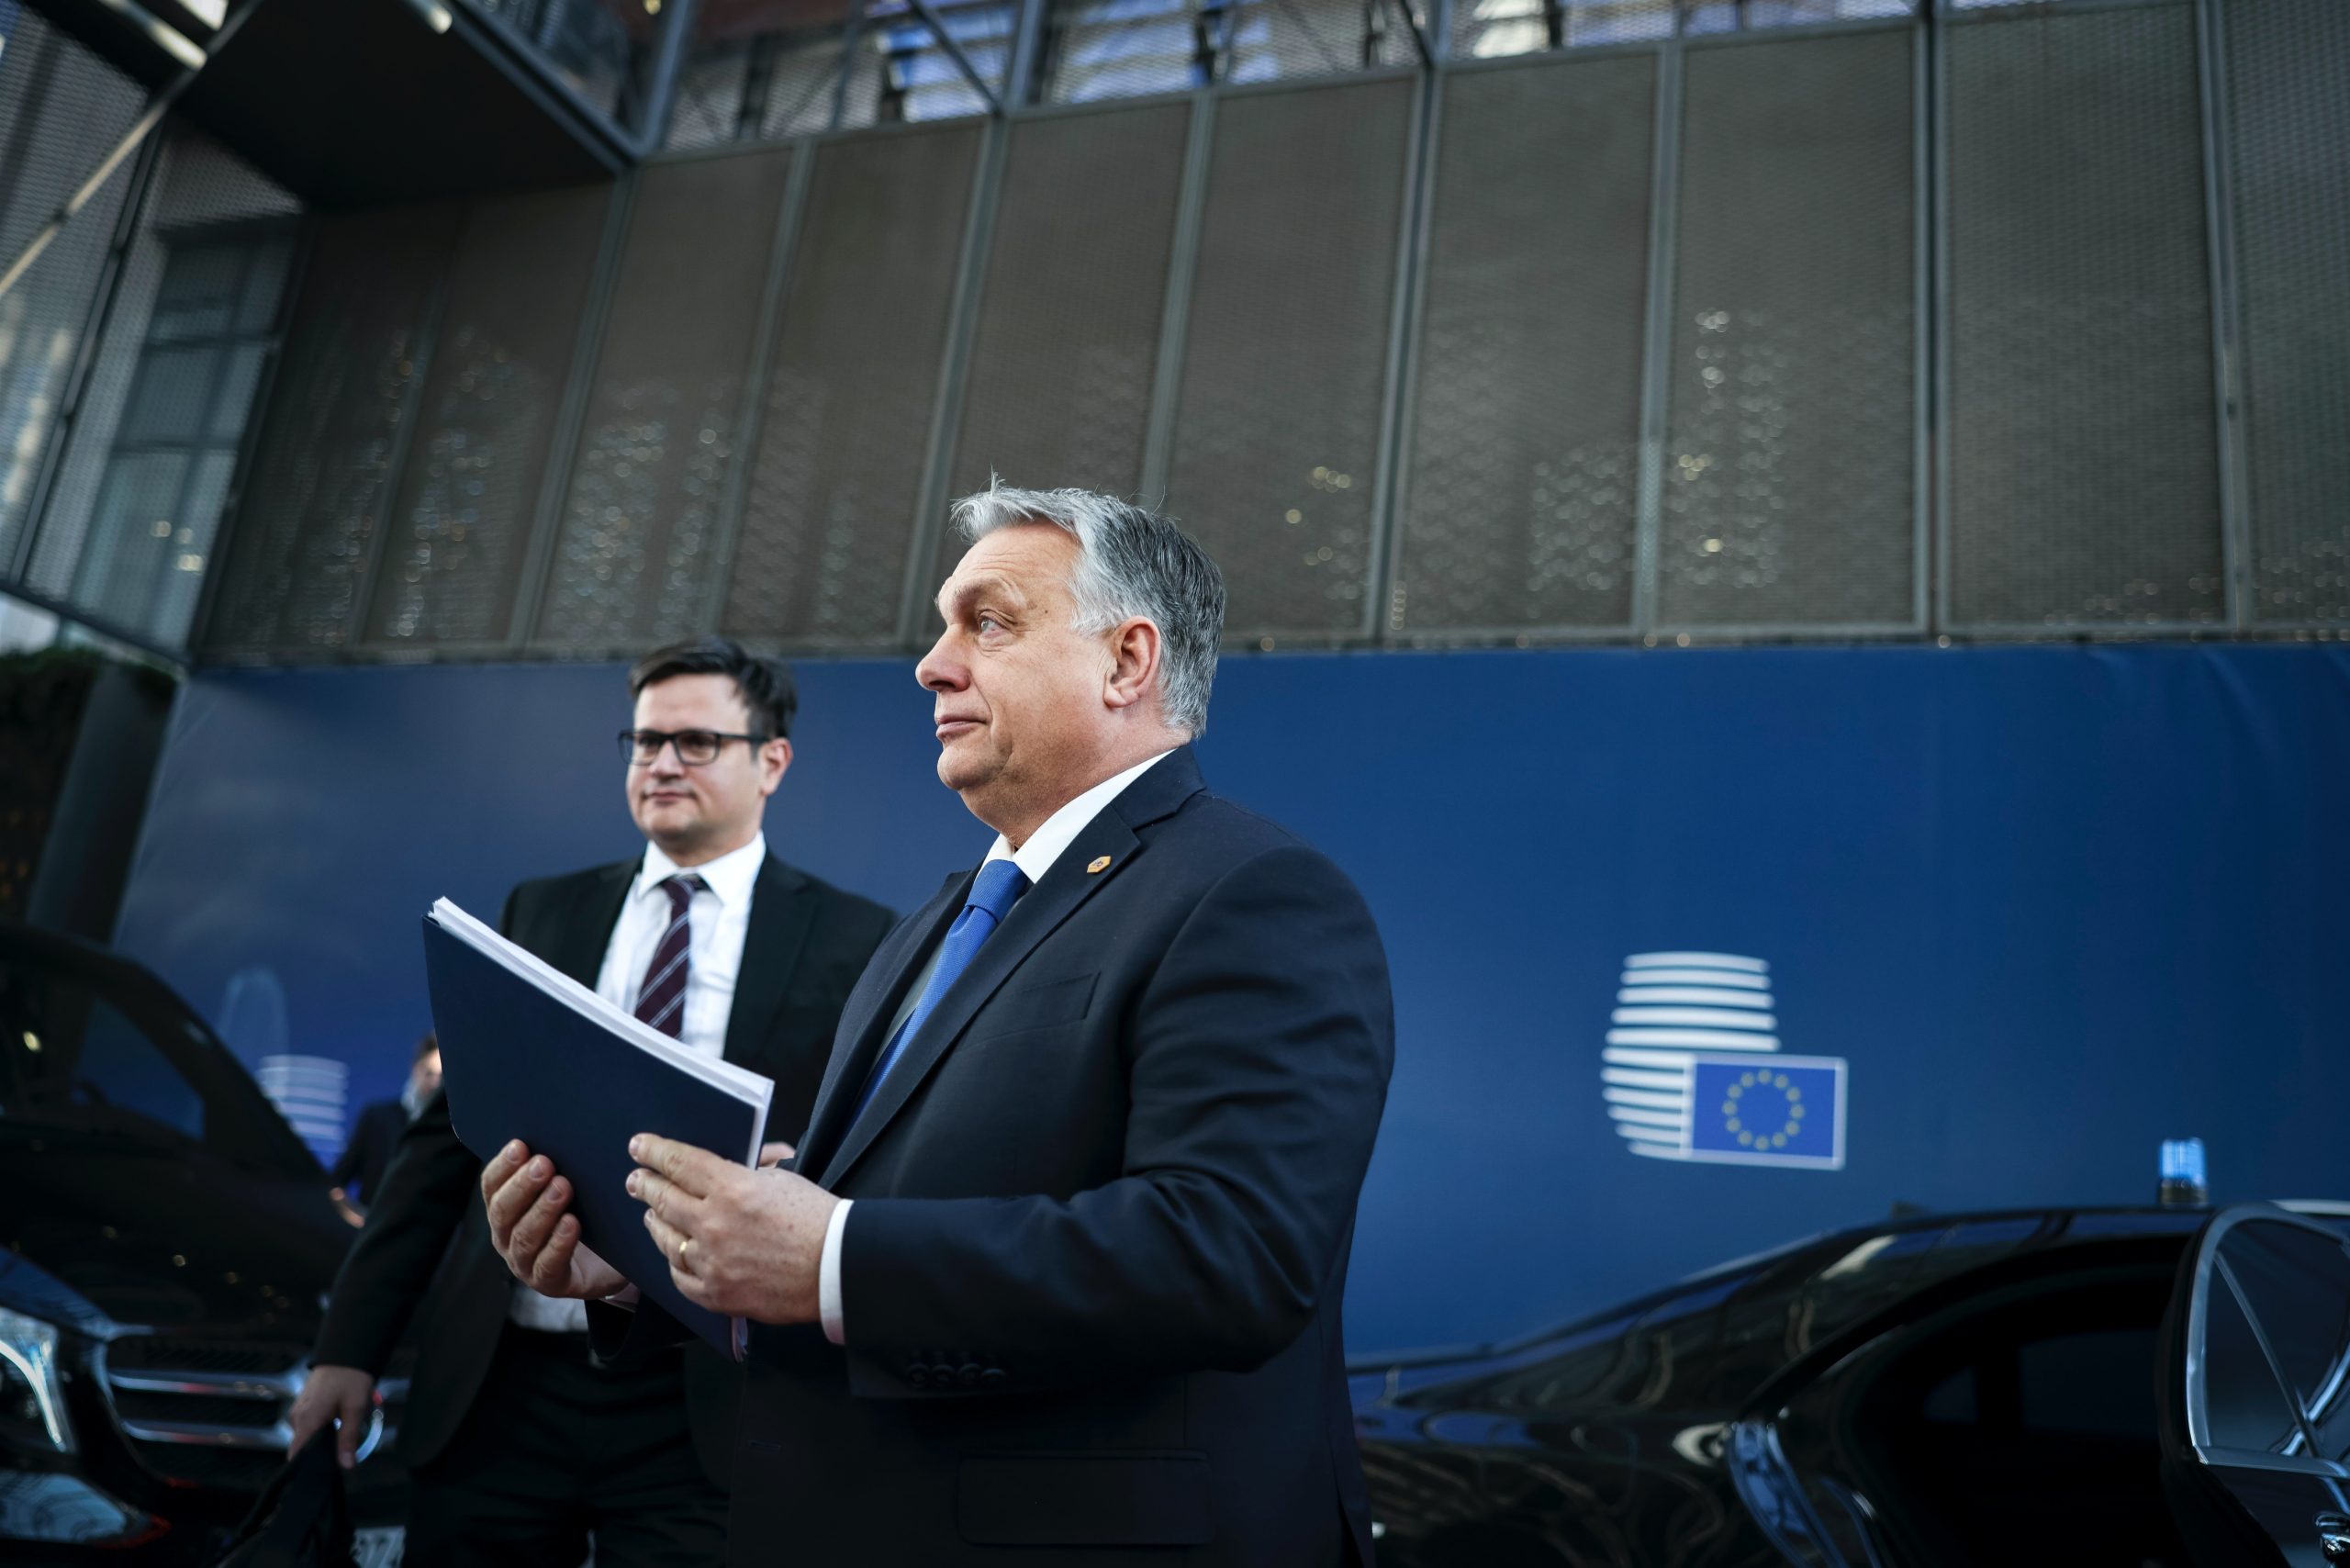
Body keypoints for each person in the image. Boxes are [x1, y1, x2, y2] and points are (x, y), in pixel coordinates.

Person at [485, 487, 1395, 1566]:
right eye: (940, 626)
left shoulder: (1251, 891)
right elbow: (874, 1223)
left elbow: (1231, 1253)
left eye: (988, 623)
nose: (931, 665)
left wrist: (831, 1252)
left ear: (1126, 661)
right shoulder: (935, 922)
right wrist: (661, 1255)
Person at [288, 638, 895, 1568]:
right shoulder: (544, 911)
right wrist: (348, 1348)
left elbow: (857, 1150)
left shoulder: (858, 938)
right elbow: (441, 1147)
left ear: (771, 761)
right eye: (645, 741)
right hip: (501, 1377)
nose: (662, 763)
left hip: (705, 1395)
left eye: (696, 742)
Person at [329, 1033, 440, 1209]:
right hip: (373, 1223)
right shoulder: (377, 1119)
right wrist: (356, 1218)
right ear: (415, 1069)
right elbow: (337, 1182)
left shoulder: (452, 1133)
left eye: (442, 1077)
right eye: (429, 1073)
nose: (435, 1083)